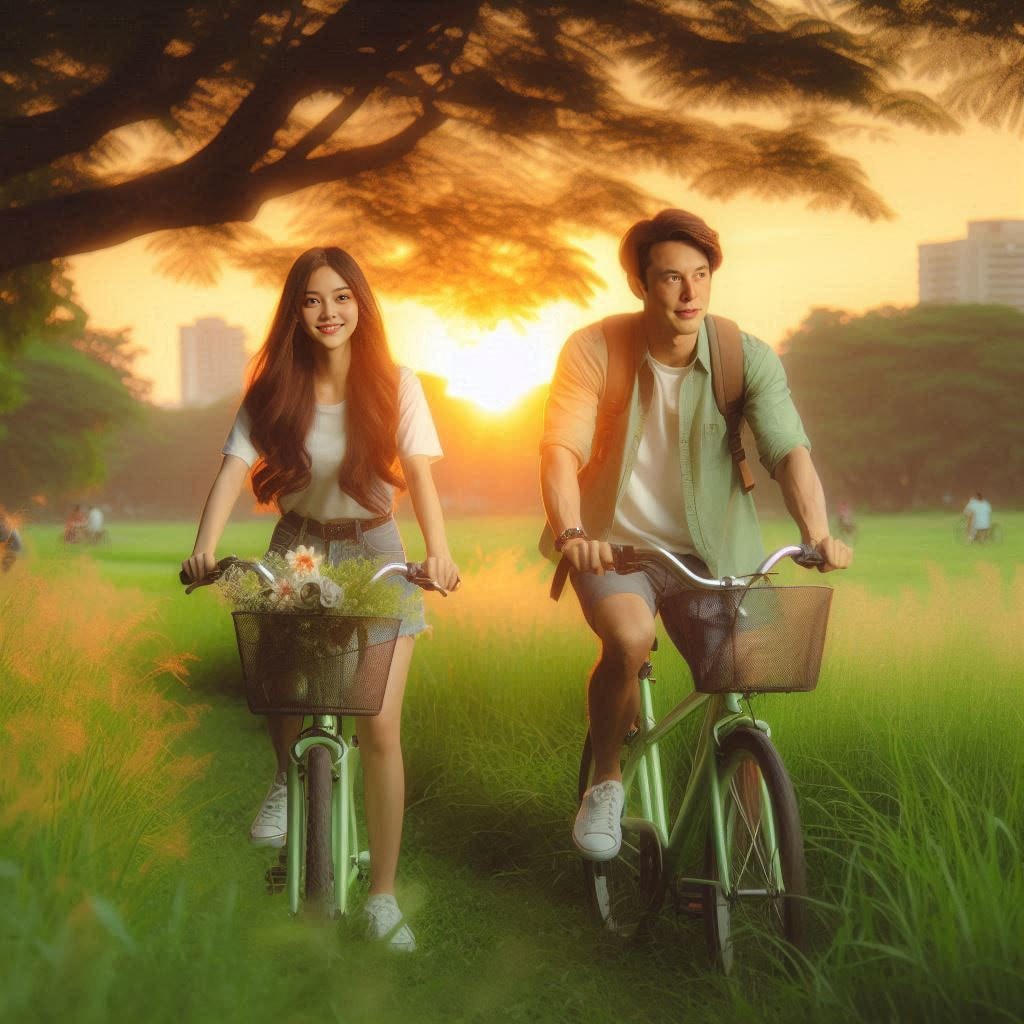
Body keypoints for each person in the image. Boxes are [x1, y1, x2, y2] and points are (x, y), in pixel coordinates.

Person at [539, 209, 852, 862]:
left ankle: (736, 864)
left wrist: (817, 532)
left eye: (700, 276)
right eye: (670, 278)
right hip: (615, 550)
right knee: (628, 638)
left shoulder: (744, 357)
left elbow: (789, 451)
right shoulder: (594, 349)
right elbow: (560, 449)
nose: (688, 293)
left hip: (716, 556)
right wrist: (573, 531)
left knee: (741, 696)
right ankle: (605, 780)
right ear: (641, 284)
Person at [181, 247, 460, 951]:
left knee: (380, 726)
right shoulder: (273, 387)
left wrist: (440, 551)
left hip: (377, 547)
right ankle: (285, 776)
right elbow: (231, 472)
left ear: (360, 305)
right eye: (311, 299)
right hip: (296, 546)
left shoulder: (397, 385)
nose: (328, 311)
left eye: (341, 297)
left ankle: (384, 898)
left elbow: (421, 478)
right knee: (284, 691)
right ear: (295, 312)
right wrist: (204, 546)